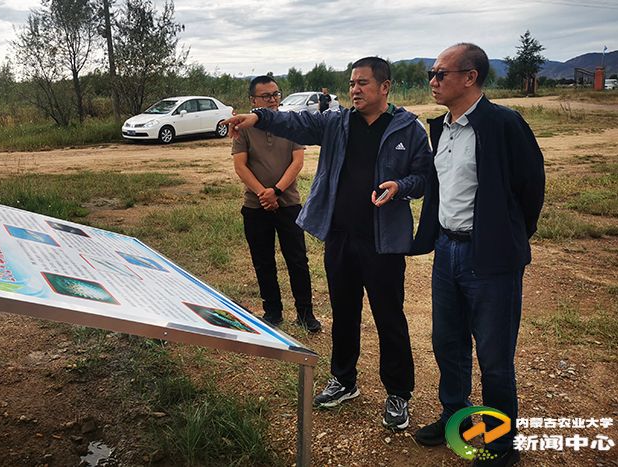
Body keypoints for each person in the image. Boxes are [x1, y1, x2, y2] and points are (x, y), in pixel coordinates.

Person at [224, 57, 432, 431]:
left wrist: (401, 186)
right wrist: (257, 117)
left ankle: (398, 393)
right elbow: (295, 122)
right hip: (340, 237)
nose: (355, 89)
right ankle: (344, 380)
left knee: (389, 317)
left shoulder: (408, 128)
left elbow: (424, 177)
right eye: (352, 83)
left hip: (384, 243)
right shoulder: (337, 123)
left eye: (363, 83)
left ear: (385, 87)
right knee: (344, 312)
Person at [411, 43, 545, 467]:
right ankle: (455, 416)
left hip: (490, 258)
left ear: (470, 77)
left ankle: (502, 443)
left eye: (441, 74)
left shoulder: (503, 123)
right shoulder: (443, 128)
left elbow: (531, 187)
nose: (433, 82)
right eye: (432, 74)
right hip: (447, 250)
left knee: (494, 355)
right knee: (447, 343)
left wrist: (506, 236)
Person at [232, 75, 321, 333]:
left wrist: (277, 191)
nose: (272, 100)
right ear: (253, 100)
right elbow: (240, 165)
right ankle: (272, 312)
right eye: (266, 96)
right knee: (263, 261)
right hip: (255, 205)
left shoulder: (289, 123)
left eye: (275, 94)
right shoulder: (243, 127)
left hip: (288, 203)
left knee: (297, 260)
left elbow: (297, 161)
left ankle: (305, 314)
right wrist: (263, 194)